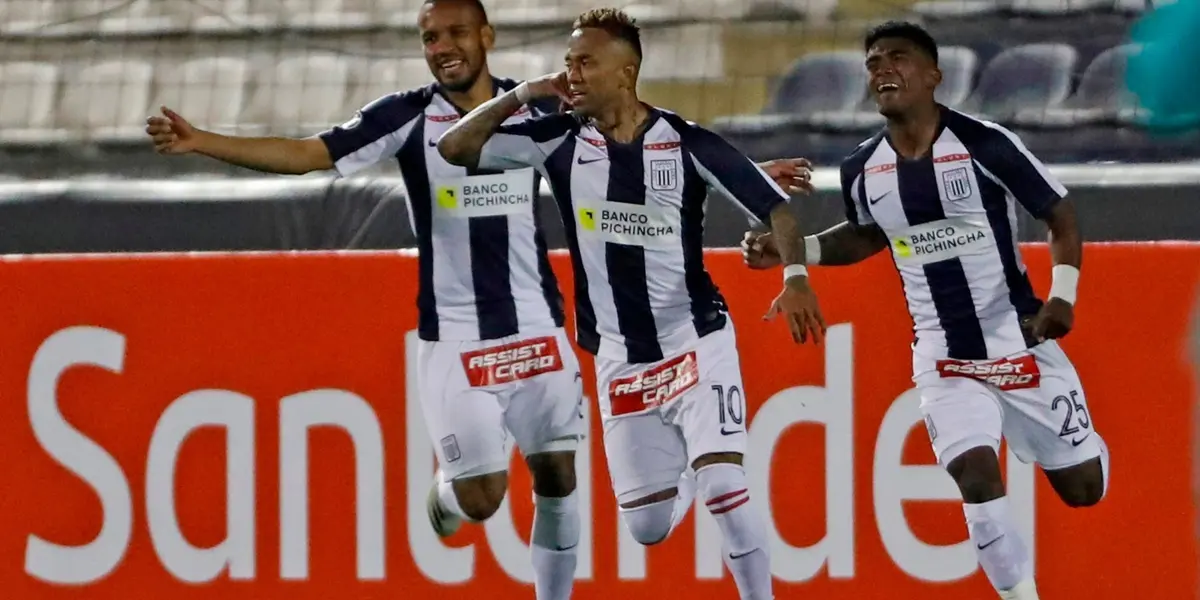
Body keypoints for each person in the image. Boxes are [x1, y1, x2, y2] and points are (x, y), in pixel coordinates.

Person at [146, 2, 589, 598]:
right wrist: (202, 141)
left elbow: (624, 138)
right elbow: (307, 154)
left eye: (456, 33)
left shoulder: (537, 108)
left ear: (487, 35)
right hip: (456, 338)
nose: (442, 47)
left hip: (537, 324)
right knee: (482, 499)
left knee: (558, 476)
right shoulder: (407, 116)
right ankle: (448, 497)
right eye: (429, 38)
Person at [437, 8, 824, 600]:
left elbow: (777, 209)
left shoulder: (685, 142)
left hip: (695, 340)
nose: (572, 74)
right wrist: (523, 93)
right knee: (647, 527)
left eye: (586, 62)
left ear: (626, 72)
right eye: (568, 63)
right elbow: (455, 147)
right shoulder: (557, 142)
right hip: (621, 360)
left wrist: (795, 279)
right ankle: (696, 471)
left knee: (724, 486)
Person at [742, 21, 1108, 600]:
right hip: (944, 357)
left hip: (1019, 340)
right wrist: (797, 252)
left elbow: (1059, 215)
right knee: (976, 478)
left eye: (899, 57)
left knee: (1085, 490)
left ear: (934, 75)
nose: (883, 69)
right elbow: (870, 234)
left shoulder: (985, 144)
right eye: (873, 62)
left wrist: (1062, 295)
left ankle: (1064, 440)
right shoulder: (863, 167)